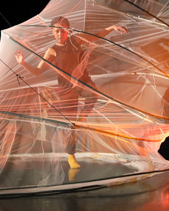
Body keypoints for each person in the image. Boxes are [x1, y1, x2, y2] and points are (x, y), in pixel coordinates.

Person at [14, 16, 127, 169]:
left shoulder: (76, 41)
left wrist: (112, 27)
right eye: (55, 31)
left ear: (67, 30)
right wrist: (23, 63)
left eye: (61, 30)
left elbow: (97, 35)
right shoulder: (52, 51)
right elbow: (37, 71)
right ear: (53, 32)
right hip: (66, 88)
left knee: (93, 94)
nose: (58, 34)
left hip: (82, 82)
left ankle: (81, 118)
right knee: (71, 125)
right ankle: (71, 156)